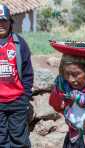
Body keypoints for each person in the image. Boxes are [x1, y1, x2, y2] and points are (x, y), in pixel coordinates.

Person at [0, 4, 33, 148]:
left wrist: (24, 97)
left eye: (4, 20)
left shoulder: (19, 44)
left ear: (10, 22)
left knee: (19, 138)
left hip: (17, 100)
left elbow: (27, 74)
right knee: (1, 138)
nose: (1, 24)